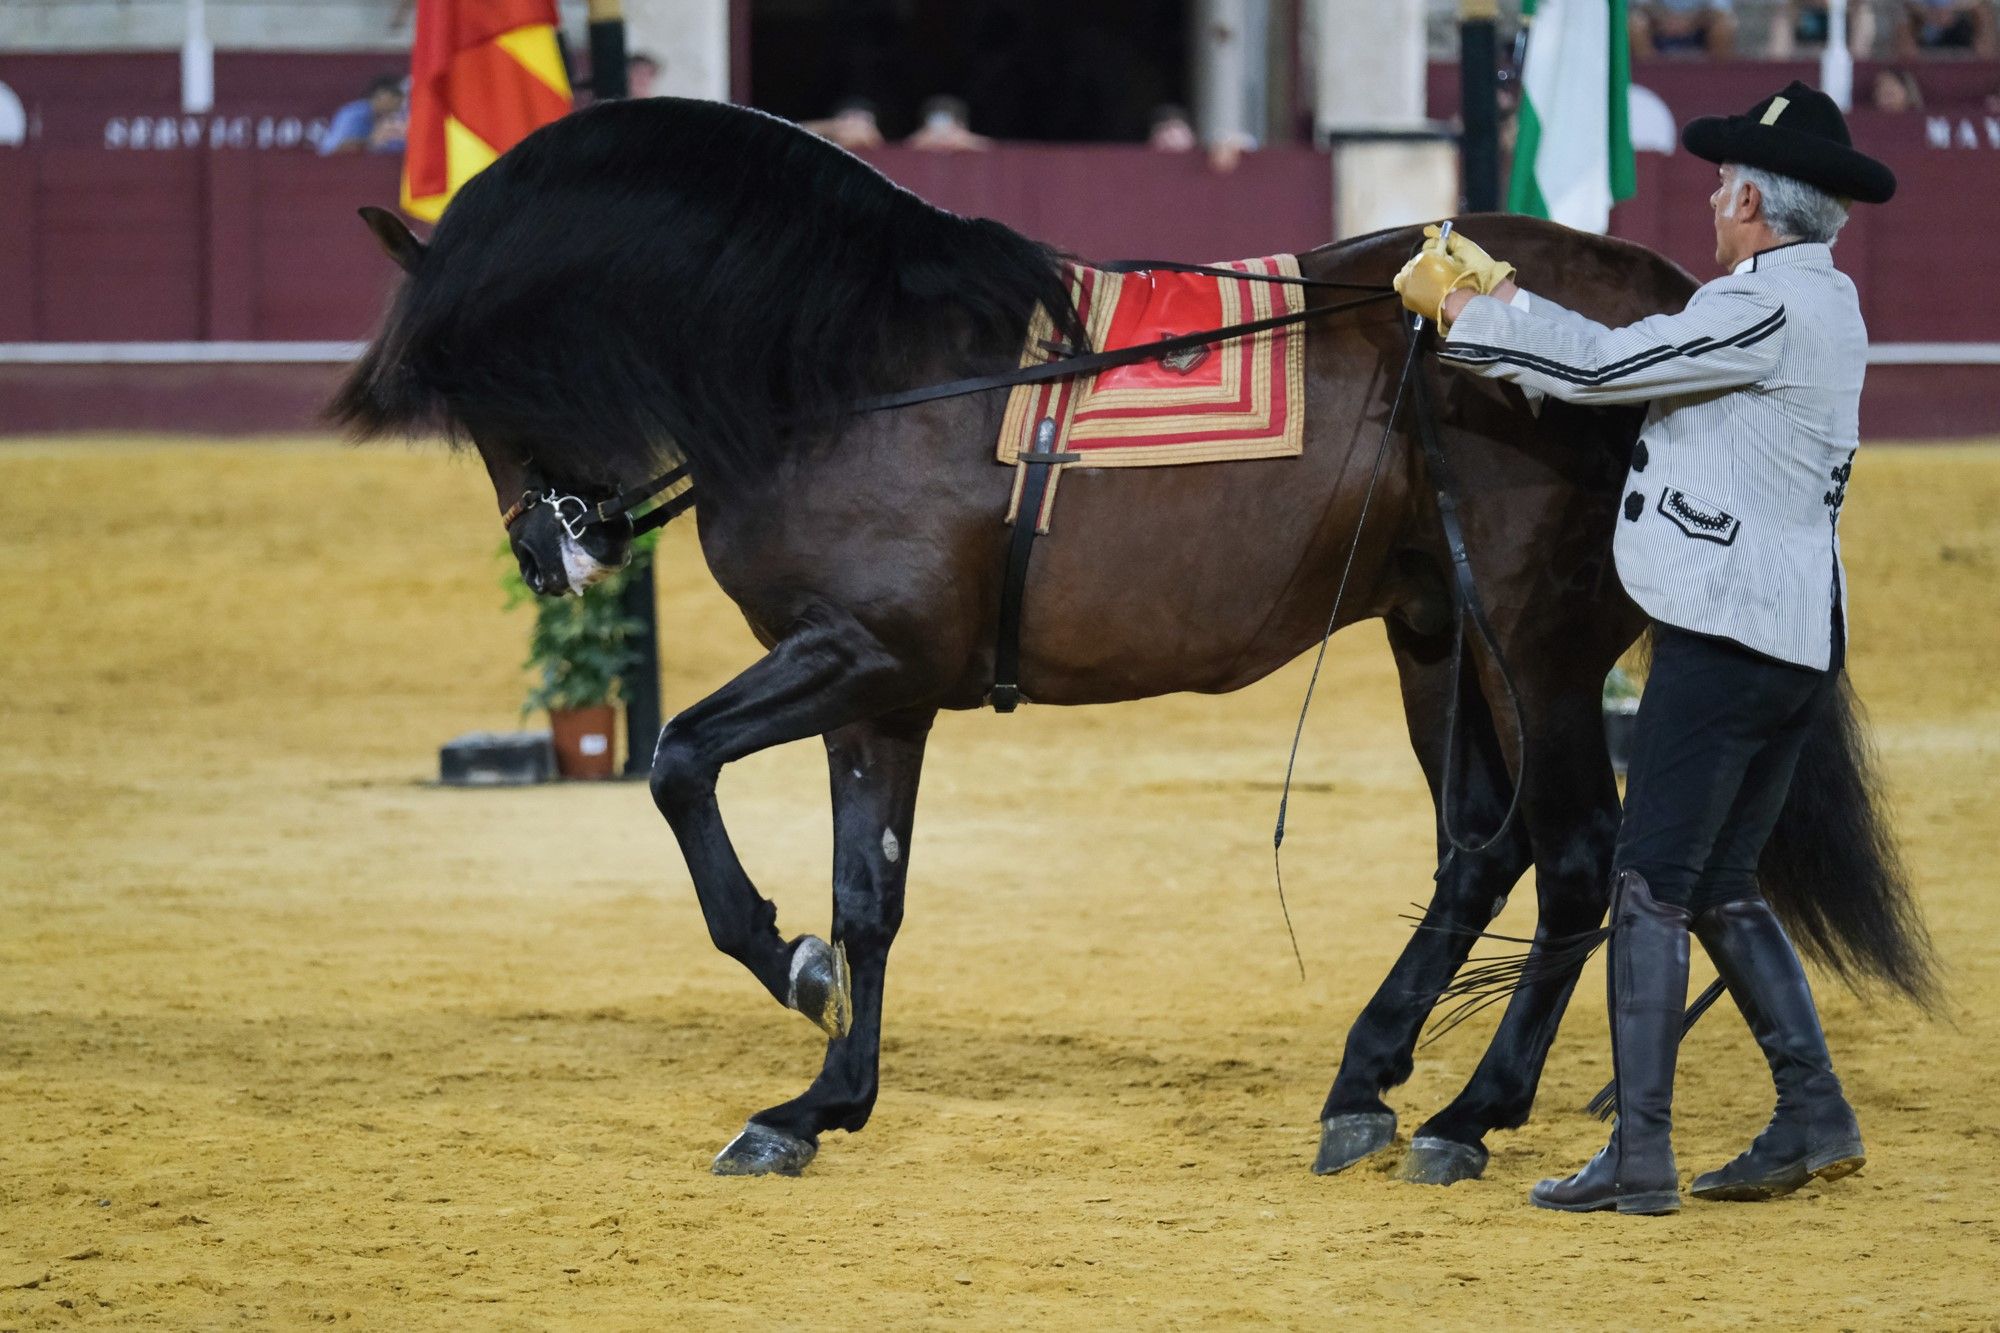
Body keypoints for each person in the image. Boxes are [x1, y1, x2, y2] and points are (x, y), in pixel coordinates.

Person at [1393, 80, 1896, 1215]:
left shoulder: (1756, 308)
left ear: (1760, 205)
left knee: (1650, 885)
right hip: (1785, 631)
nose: (1713, 203)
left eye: (1726, 188)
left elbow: (1604, 371)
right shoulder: (1827, 304)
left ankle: (1639, 1152)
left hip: (1726, 634)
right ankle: (1812, 1111)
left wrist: (1479, 314)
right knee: (1719, 884)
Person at [318, 73, 406, 155]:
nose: (401, 101)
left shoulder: (380, 116)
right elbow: (341, 147)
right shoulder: (358, 114)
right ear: (383, 95)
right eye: (397, 97)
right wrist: (373, 141)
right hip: (332, 161)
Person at [1766, 0, 1877, 56]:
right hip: (1800, 74)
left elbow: (1860, 54)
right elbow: (1778, 55)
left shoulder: (1859, 13)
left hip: (1842, 74)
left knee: (1864, 15)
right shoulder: (1789, 12)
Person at [1630, 0, 1738, 56]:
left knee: (1724, 25)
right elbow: (1643, 5)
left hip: (1700, 29)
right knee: (1636, 24)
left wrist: (1688, 23)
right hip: (1659, 27)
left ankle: (1716, 80)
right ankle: (1651, 78)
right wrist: (1664, 19)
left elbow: (1720, 10)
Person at [1896, 0, 1998, 53]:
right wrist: (1927, 14)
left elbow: (1978, 6)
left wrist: (1952, 10)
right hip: (1926, 37)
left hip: (1959, 33)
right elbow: (1907, 6)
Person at [905, 96, 993, 152]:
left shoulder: (978, 144)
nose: (942, 138)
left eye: (951, 130)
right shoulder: (914, 143)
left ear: (962, 126)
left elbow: (988, 147)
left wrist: (967, 143)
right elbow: (907, 146)